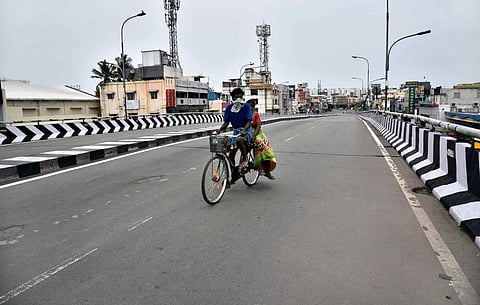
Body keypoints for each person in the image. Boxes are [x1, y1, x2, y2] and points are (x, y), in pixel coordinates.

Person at [217, 88, 253, 182]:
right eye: (236, 97)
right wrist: (220, 129)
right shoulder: (229, 108)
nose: (238, 98)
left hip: (246, 132)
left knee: (239, 140)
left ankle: (245, 159)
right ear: (233, 98)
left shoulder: (246, 107)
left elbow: (249, 121)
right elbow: (226, 122)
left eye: (240, 96)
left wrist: (244, 130)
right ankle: (233, 174)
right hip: (236, 132)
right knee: (231, 156)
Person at [247, 99, 276, 180]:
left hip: (257, 134)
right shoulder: (244, 113)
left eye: (252, 106)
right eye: (249, 106)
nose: (250, 108)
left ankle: (265, 170)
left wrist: (254, 136)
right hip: (247, 133)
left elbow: (259, 125)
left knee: (264, 147)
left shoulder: (255, 114)